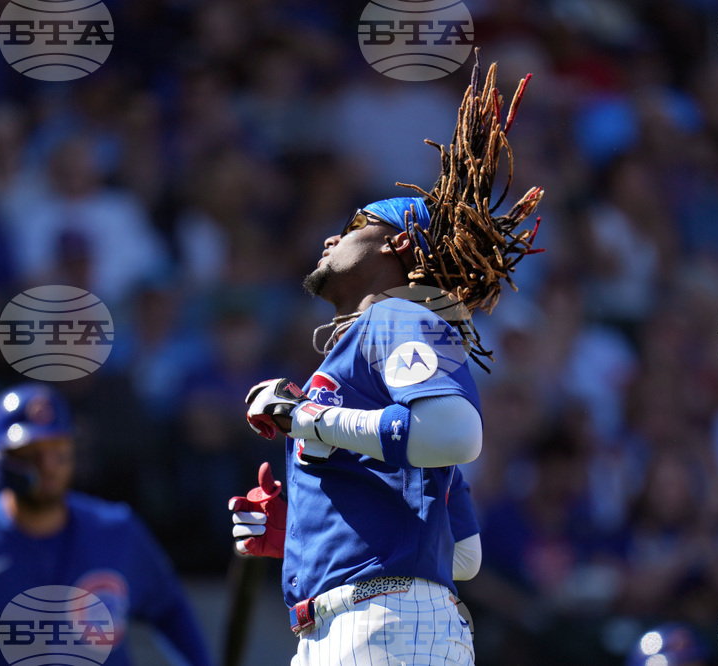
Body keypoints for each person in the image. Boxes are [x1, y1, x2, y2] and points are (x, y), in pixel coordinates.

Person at [228, 52, 544, 666]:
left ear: (397, 244)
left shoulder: (397, 315)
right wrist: (302, 532)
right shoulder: (383, 345)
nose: (331, 236)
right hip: (375, 624)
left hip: (380, 626)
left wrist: (306, 420)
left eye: (353, 224)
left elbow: (456, 432)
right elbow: (463, 555)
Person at [0, 382, 212, 666]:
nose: (47, 466)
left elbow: (169, 607)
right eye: (30, 454)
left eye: (58, 452)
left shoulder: (116, 531)